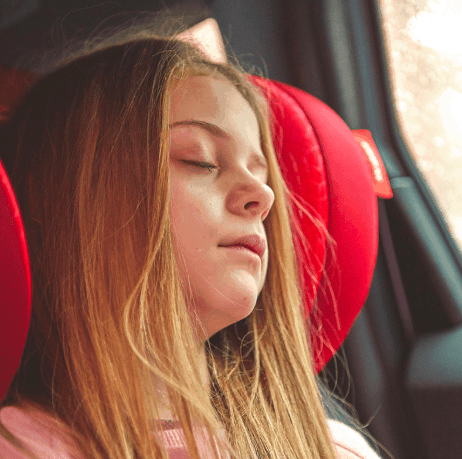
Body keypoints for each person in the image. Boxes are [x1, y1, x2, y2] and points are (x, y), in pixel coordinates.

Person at [0, 14, 386, 459]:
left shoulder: (332, 446)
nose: (262, 195)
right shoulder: (30, 447)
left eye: (262, 175)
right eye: (199, 159)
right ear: (65, 195)